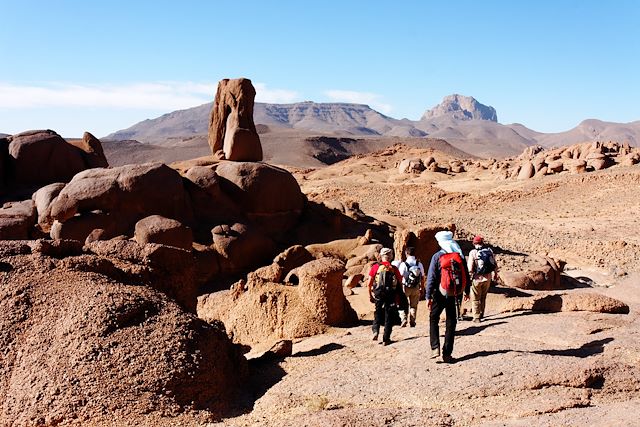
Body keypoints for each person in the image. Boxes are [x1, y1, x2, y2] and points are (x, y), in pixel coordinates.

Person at [426, 230, 470, 363]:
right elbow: (466, 275)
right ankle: (447, 354)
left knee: (434, 318)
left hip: (440, 293)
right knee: (451, 322)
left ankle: (435, 347)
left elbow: (431, 278)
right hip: (455, 293)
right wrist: (467, 291)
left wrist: (428, 295)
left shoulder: (437, 256)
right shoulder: (459, 255)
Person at [367, 247, 404, 346]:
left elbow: (369, 283)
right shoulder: (394, 268)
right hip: (390, 294)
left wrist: (370, 295)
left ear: (381, 256)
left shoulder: (375, 267)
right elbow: (400, 282)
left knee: (378, 311)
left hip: (379, 293)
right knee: (389, 315)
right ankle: (386, 339)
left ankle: (375, 330)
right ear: (391, 256)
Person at [467, 235, 499, 323]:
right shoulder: (489, 251)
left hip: (477, 278)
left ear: (474, 243)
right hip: (488, 278)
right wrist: (495, 274)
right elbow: (495, 265)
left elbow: (470, 267)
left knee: (475, 298)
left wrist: (469, 277)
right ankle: (481, 313)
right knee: (483, 296)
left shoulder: (473, 252)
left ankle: (476, 317)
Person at [396, 247, 425, 327]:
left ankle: (404, 318)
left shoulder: (403, 264)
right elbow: (422, 277)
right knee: (414, 305)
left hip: (405, 287)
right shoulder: (419, 264)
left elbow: (400, 276)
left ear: (406, 254)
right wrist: (422, 288)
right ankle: (412, 320)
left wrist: (398, 288)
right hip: (416, 287)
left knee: (402, 303)